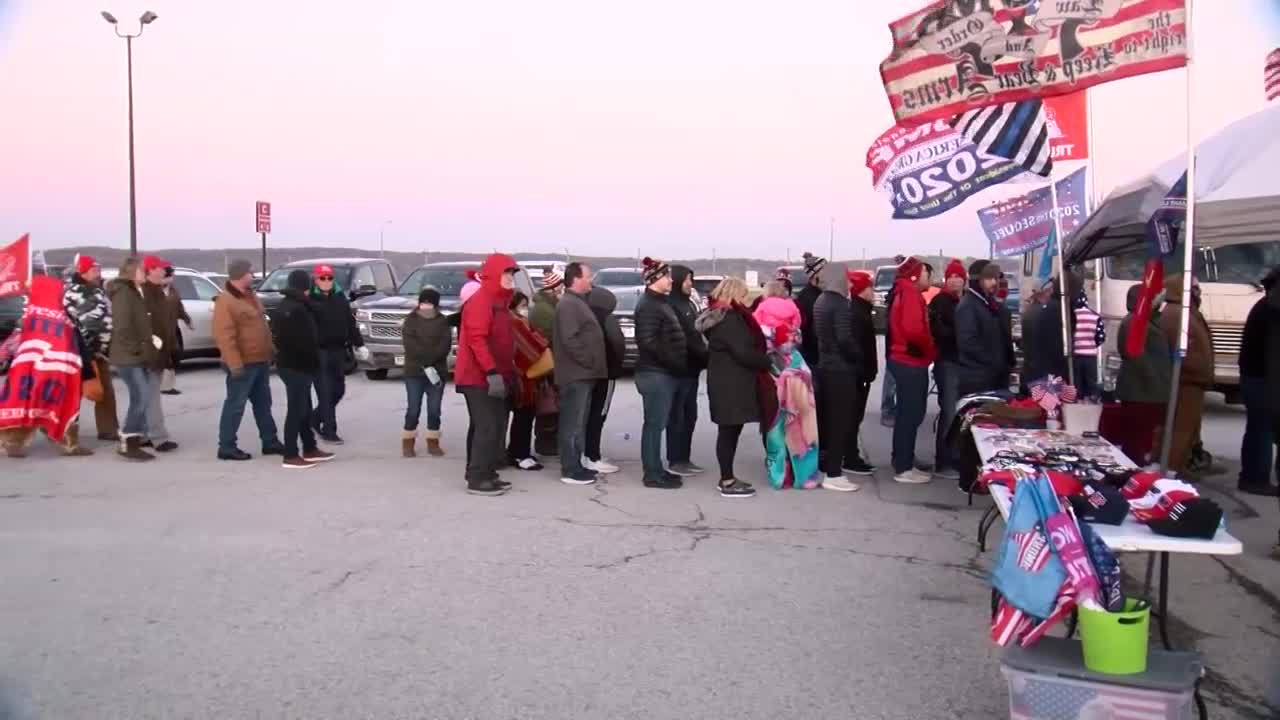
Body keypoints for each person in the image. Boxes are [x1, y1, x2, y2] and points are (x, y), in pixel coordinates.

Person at [695, 277, 776, 498]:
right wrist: (767, 361)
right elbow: (744, 352)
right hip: (731, 384)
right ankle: (727, 480)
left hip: (725, 381)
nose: (745, 300)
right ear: (735, 295)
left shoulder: (718, 317)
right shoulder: (731, 319)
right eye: (743, 295)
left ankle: (727, 477)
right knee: (729, 432)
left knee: (729, 430)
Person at [0, 276, 93, 458]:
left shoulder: (29, 315)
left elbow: (14, 342)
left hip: (26, 369)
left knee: (25, 401)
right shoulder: (63, 317)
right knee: (63, 401)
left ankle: (14, 440)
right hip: (57, 370)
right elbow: (74, 343)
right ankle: (68, 442)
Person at [455, 254, 519, 496]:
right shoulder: (482, 300)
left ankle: (485, 471)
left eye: (513, 274)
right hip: (477, 377)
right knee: (487, 426)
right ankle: (478, 477)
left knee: (488, 425)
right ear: (494, 275)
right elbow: (476, 339)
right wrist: (491, 372)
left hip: (495, 375)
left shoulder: (499, 302)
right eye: (507, 273)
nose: (511, 279)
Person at [212, 259, 283, 461]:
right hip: (242, 364)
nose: (253, 275)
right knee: (235, 405)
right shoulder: (226, 301)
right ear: (241, 274)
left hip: (259, 360)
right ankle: (226, 446)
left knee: (263, 404)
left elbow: (262, 327)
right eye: (250, 272)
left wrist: (271, 350)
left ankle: (270, 441)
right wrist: (234, 364)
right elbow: (224, 336)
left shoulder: (251, 296)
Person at [754, 286, 821, 489]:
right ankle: (805, 475)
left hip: (773, 370)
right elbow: (798, 337)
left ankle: (780, 476)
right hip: (796, 368)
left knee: (776, 424)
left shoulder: (762, 310)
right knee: (802, 423)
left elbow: (759, 340)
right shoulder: (793, 309)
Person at [634, 257, 686, 489]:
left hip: (664, 372)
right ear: (655, 279)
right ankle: (652, 474)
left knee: (658, 423)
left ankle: (657, 468)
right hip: (655, 373)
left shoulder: (659, 302)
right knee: (654, 425)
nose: (671, 280)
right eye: (667, 276)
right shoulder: (648, 305)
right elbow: (648, 342)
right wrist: (673, 362)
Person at [273, 270, 334, 469]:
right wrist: (314, 363)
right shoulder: (297, 309)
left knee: (304, 409)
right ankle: (290, 454)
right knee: (296, 411)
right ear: (305, 287)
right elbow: (305, 341)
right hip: (297, 366)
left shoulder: (286, 306)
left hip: (291, 364)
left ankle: (309, 448)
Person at [553, 262, 607, 486]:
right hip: (576, 374)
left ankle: (578, 463)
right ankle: (570, 469)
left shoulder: (577, 303)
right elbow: (570, 339)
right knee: (572, 423)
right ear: (576, 278)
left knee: (579, 422)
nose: (591, 280)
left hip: (584, 373)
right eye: (588, 276)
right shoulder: (568, 305)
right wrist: (589, 362)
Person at [810, 261, 862, 492]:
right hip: (841, 369)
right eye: (847, 278)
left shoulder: (821, 300)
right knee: (841, 421)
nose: (849, 282)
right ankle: (834, 473)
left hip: (826, 365)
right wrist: (857, 356)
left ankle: (829, 468)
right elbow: (844, 338)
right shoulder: (840, 302)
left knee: (830, 420)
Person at [886, 256, 936, 485]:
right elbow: (914, 329)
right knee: (910, 413)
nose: (930, 278)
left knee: (908, 413)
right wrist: (930, 349)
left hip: (903, 358)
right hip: (909, 360)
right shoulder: (911, 294)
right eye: (927, 273)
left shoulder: (902, 291)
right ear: (916, 275)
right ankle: (904, 467)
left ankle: (903, 459)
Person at [1160, 274, 1213, 476]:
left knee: (1186, 428)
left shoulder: (1185, 312)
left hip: (1190, 379)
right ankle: (1172, 468)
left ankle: (1178, 464)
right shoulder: (1178, 314)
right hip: (1185, 380)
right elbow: (1182, 350)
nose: (1199, 293)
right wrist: (1197, 369)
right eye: (1195, 289)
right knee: (1180, 428)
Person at [1113, 284, 1171, 467]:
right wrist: (1156, 382)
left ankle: (1138, 466)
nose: (1157, 300)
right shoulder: (1134, 322)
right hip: (1141, 391)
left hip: (1145, 391)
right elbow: (1137, 356)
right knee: (1137, 439)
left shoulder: (1144, 320)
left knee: (1141, 437)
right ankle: (1135, 470)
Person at [309, 264, 367, 445]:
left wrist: (359, 344)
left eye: (329, 278)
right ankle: (329, 431)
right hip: (319, 352)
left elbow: (350, 323)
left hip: (338, 350)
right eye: (322, 278)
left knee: (338, 390)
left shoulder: (340, 299)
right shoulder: (310, 301)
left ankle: (314, 418)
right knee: (325, 392)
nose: (326, 282)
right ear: (315, 280)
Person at [62, 254, 118, 441]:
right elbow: (70, 322)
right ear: (83, 272)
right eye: (94, 270)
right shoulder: (71, 294)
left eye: (99, 270)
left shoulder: (99, 291)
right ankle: (66, 430)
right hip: (80, 353)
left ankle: (108, 429)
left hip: (100, 352)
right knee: (74, 393)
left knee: (106, 392)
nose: (98, 273)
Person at [107, 257, 158, 461]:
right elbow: (122, 327)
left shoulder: (135, 292)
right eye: (142, 270)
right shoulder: (124, 294)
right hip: (127, 356)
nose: (144, 273)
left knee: (142, 396)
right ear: (132, 272)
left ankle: (133, 438)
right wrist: (136, 348)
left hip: (136, 354)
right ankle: (129, 440)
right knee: (141, 395)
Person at [1239, 268, 1280, 496]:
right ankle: (1255, 478)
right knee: (1262, 429)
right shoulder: (1272, 309)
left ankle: (1252, 476)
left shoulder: (1266, 306)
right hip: (1263, 380)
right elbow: (1273, 355)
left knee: (1258, 428)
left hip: (1257, 377)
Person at [666, 264, 709, 476]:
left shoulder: (688, 303)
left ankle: (685, 457)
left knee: (690, 416)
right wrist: (708, 356)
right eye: (687, 280)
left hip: (692, 369)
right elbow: (687, 338)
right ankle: (675, 459)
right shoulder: (671, 305)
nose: (690, 284)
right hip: (679, 369)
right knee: (677, 417)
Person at [401, 287, 452, 458]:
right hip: (414, 371)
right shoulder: (411, 320)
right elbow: (410, 344)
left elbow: (445, 345)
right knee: (413, 408)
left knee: (434, 409)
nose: (426, 305)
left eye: (429, 303)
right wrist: (424, 360)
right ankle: (408, 442)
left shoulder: (442, 321)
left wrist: (431, 360)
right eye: (423, 302)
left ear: (436, 304)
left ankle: (433, 442)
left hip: (437, 372)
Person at [929, 260, 966, 481]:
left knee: (959, 412)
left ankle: (955, 455)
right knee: (949, 411)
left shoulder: (964, 300)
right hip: (947, 362)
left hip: (961, 362)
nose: (954, 279)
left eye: (958, 276)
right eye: (951, 276)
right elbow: (939, 331)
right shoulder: (941, 301)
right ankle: (943, 460)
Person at [584, 286, 625, 475]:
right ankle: (592, 456)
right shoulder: (608, 320)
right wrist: (618, 366)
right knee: (599, 414)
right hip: (607, 373)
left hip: (590, 373)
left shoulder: (586, 317)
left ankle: (587, 453)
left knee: (588, 413)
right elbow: (617, 344)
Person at [140, 256, 179, 452]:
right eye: (162, 269)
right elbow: (145, 326)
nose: (165, 272)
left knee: (146, 395)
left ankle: (143, 434)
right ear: (151, 270)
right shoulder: (145, 294)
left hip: (159, 350)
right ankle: (158, 437)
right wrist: (153, 347)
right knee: (151, 395)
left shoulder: (157, 292)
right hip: (150, 353)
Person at [506, 291, 548, 470]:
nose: (526, 309)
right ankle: (519, 454)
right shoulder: (514, 322)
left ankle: (519, 451)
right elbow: (531, 346)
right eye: (522, 305)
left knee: (524, 417)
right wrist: (541, 341)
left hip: (526, 378)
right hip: (522, 379)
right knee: (523, 416)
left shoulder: (519, 321)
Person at [845, 271, 878, 475]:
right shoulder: (857, 313)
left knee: (853, 416)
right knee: (852, 416)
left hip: (860, 372)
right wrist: (865, 370)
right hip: (858, 374)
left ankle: (849, 454)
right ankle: (850, 456)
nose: (873, 292)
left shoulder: (861, 310)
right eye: (869, 287)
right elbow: (857, 346)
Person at [529, 270, 563, 457]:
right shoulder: (545, 310)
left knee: (549, 404)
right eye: (560, 286)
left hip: (550, 362)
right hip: (548, 364)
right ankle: (546, 443)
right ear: (553, 288)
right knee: (548, 404)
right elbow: (552, 337)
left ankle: (548, 442)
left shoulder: (549, 307)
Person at [159, 265, 192, 396]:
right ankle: (165, 386)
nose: (173, 278)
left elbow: (179, 307)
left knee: (175, 354)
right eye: (171, 275)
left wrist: (187, 319)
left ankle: (167, 384)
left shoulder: (173, 291)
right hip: (158, 329)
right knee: (164, 358)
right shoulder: (153, 291)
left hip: (172, 328)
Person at [1072, 285, 1105, 400]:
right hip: (1091, 357)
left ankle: (1077, 407)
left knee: (1076, 385)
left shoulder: (1071, 315)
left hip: (1075, 357)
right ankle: (1091, 407)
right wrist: (1091, 345)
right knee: (1091, 385)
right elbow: (1101, 338)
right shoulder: (1095, 316)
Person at [795, 252, 826, 367]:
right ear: (815, 275)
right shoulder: (805, 298)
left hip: (825, 358)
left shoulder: (825, 293)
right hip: (813, 358)